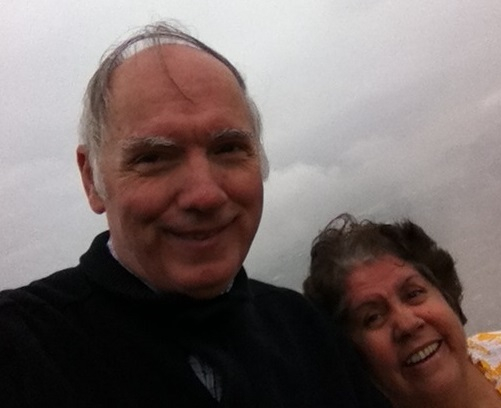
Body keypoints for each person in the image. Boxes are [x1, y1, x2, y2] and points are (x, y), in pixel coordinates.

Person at [0, 23, 391, 407]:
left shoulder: (307, 332)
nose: (204, 195)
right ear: (92, 179)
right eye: (153, 157)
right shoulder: (19, 349)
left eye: (228, 148)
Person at [304, 213, 501, 407]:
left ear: (445, 294)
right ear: (352, 353)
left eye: (414, 294)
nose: (407, 324)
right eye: (373, 317)